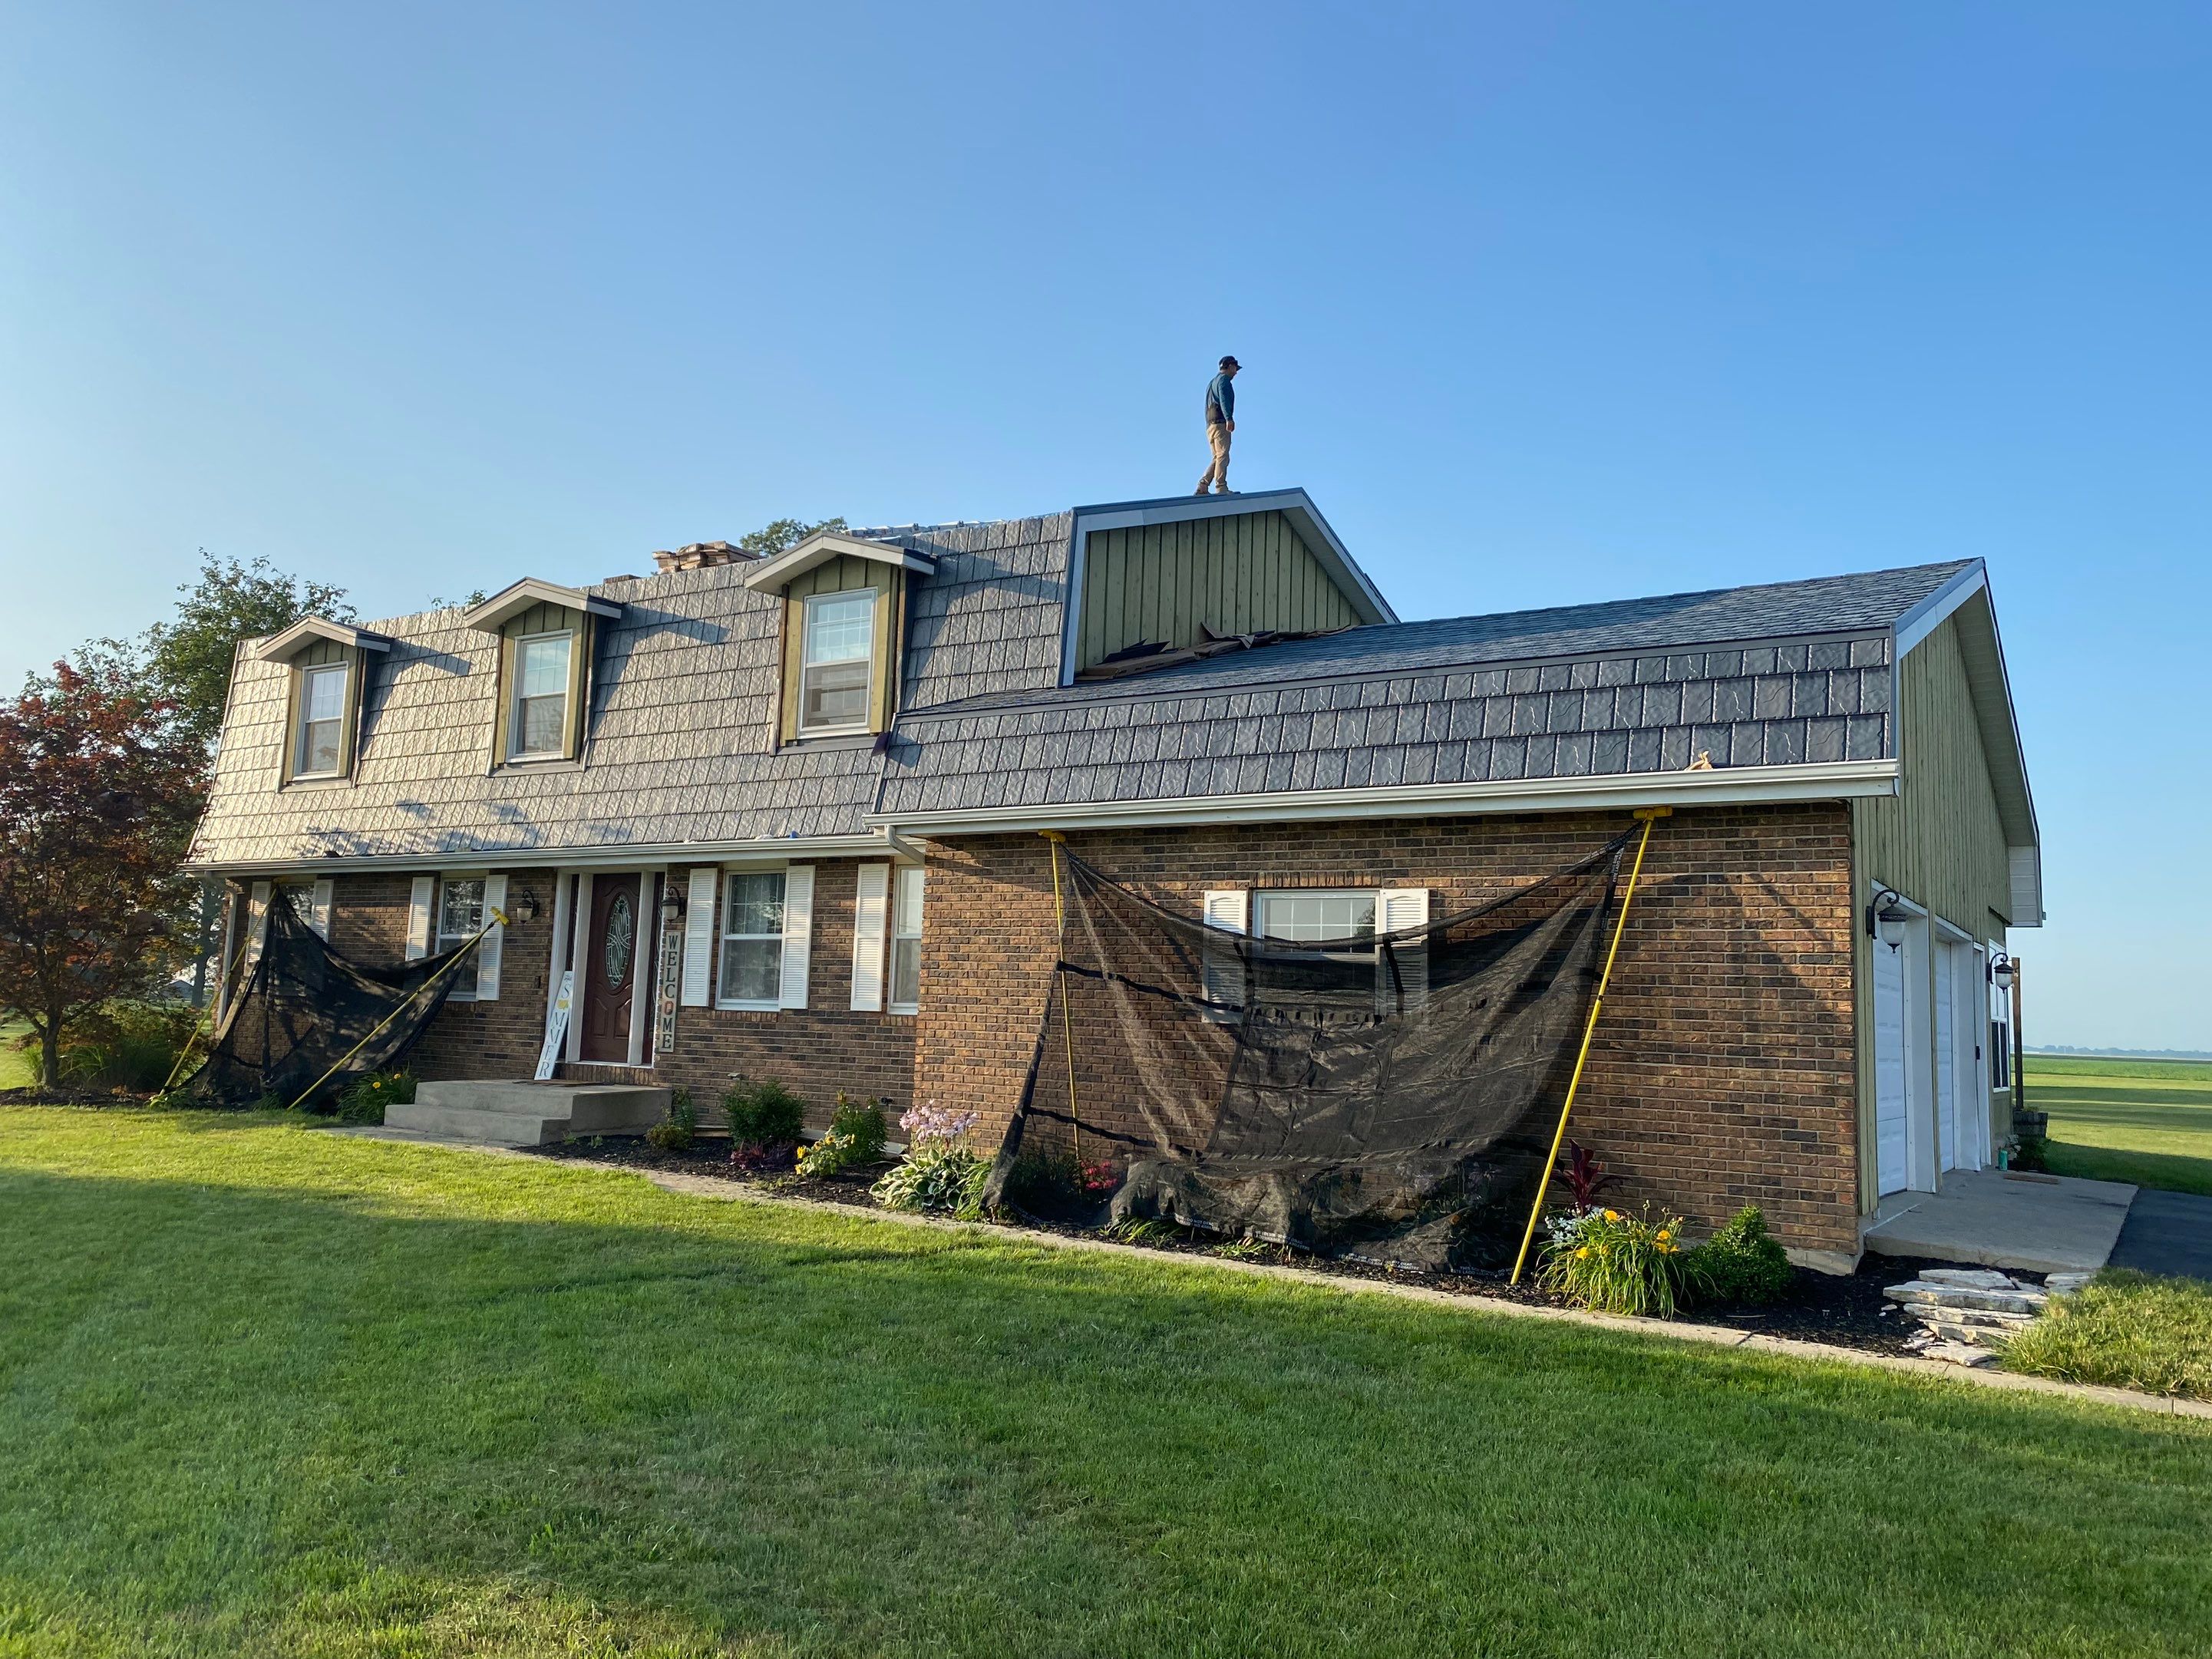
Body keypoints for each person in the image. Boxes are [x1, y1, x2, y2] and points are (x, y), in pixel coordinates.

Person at [1196, 355, 1240, 495]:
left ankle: (1203, 485)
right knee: (1223, 456)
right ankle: (1221, 487)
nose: (1236, 372)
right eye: (1235, 368)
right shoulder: (1224, 381)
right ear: (1230, 366)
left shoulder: (1212, 383)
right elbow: (1224, 399)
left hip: (1210, 425)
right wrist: (1229, 418)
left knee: (1217, 457)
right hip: (1220, 423)